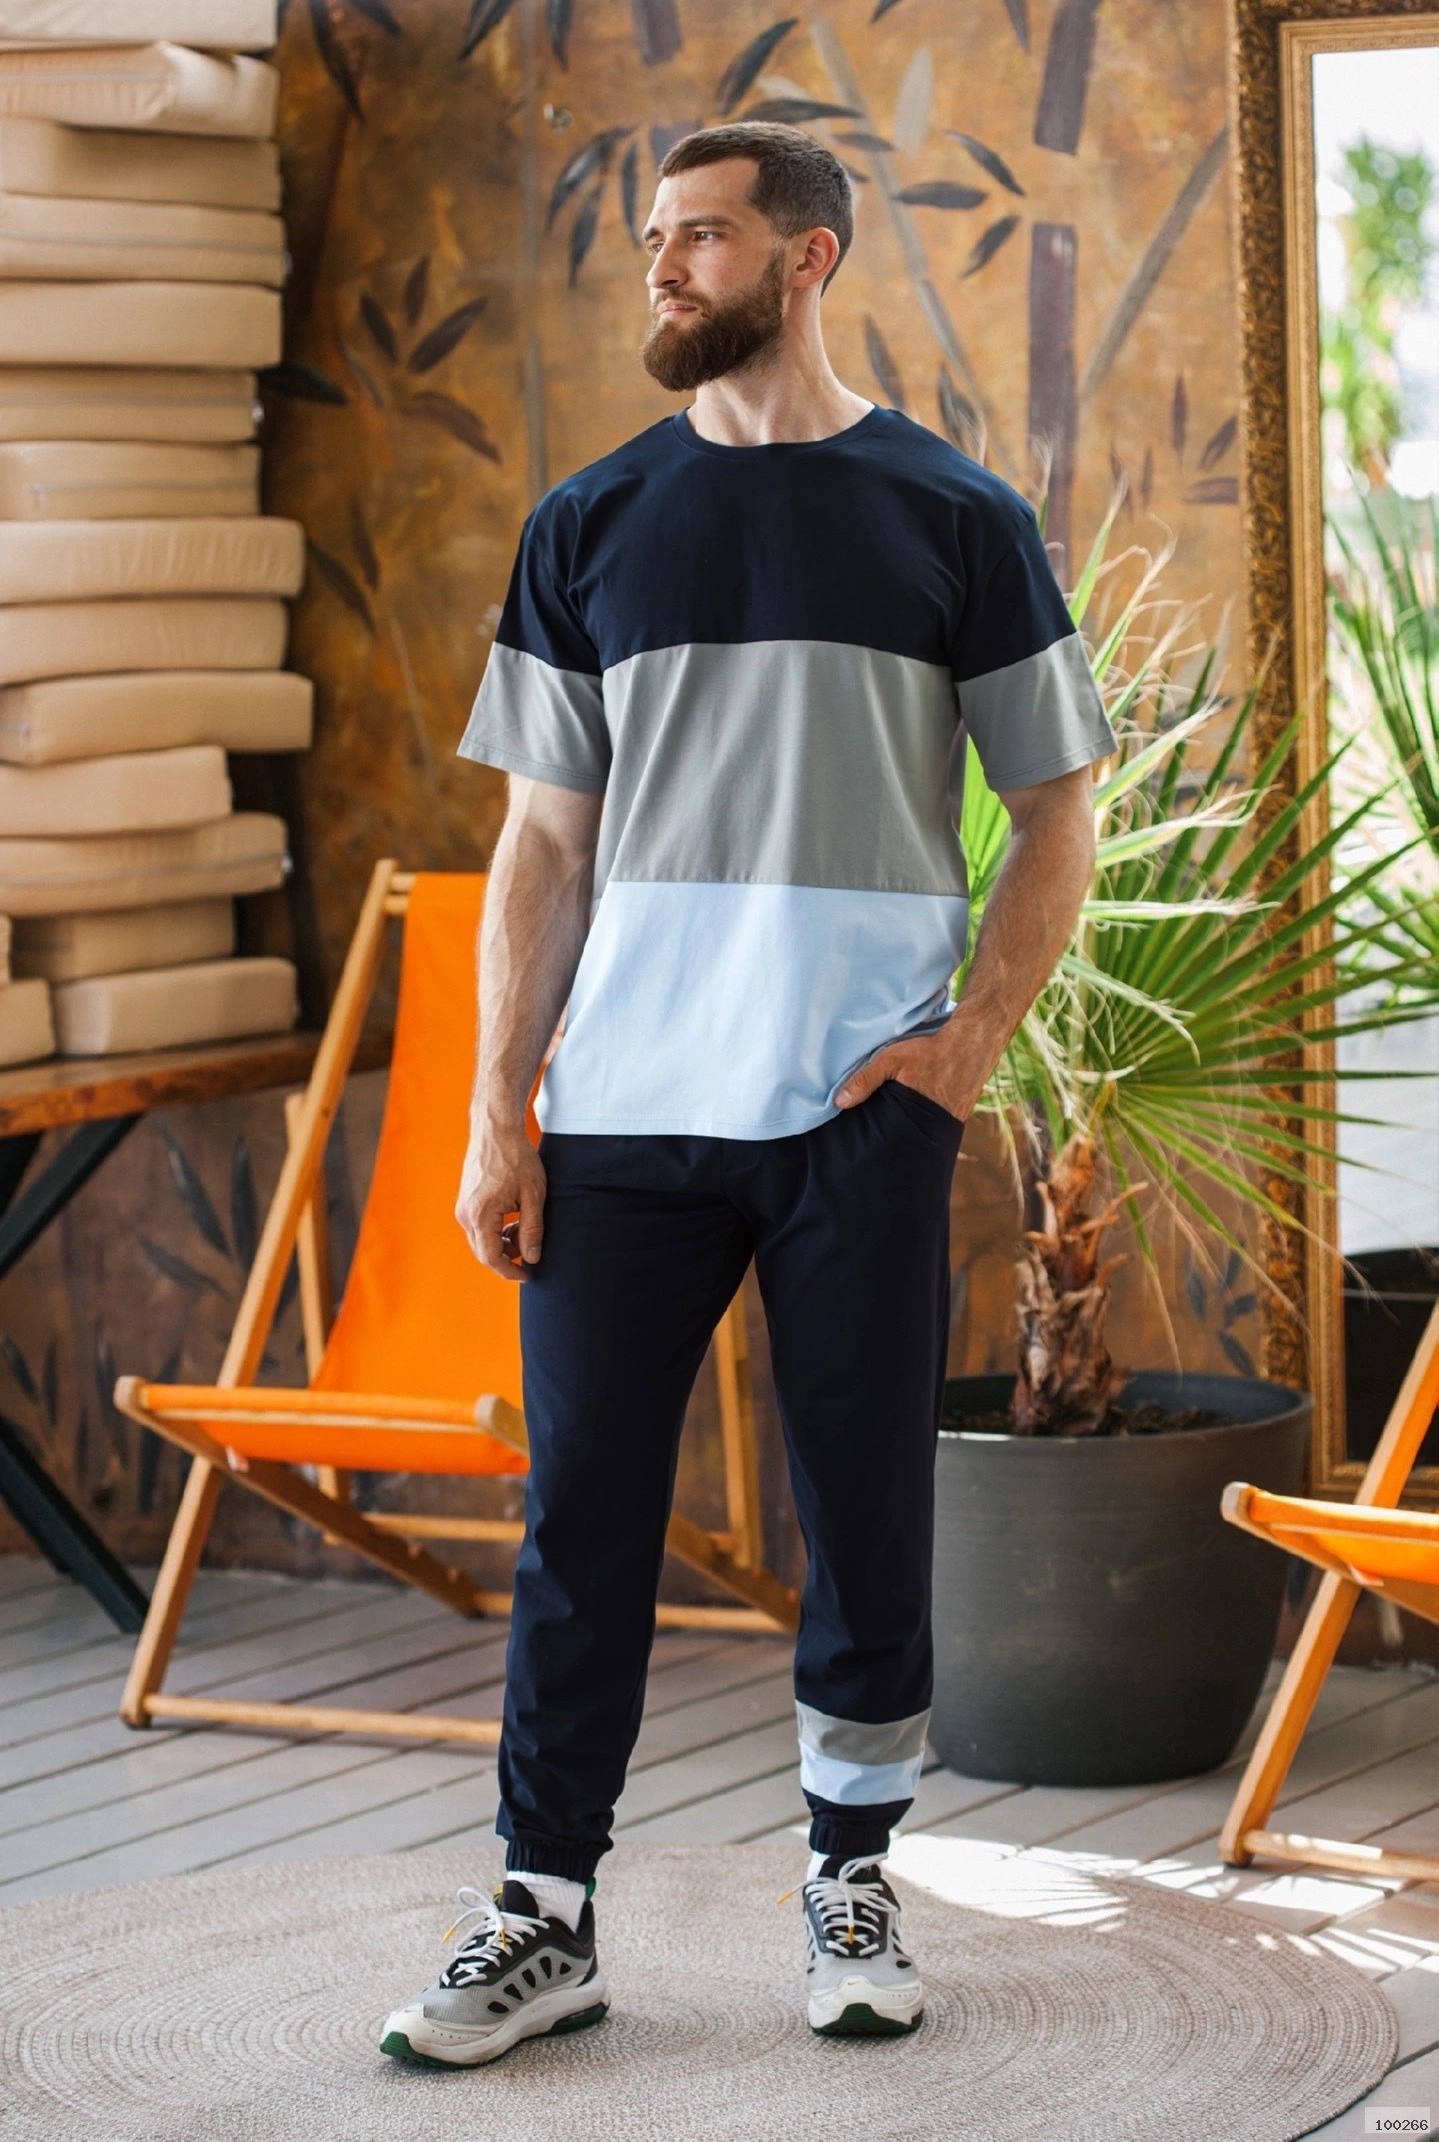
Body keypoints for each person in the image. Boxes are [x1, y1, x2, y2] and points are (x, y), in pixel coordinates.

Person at [380, 119, 1116, 2070]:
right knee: (584, 1520)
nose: (660, 267)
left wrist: (968, 1043)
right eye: (651, 238)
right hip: (623, 1115)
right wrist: (498, 1108)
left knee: (862, 1511)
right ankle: (543, 1913)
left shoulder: (954, 516)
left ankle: (852, 1879)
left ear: (807, 260)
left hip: (859, 1109)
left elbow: (1058, 808)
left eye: (701, 237)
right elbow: (542, 849)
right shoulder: (589, 522)